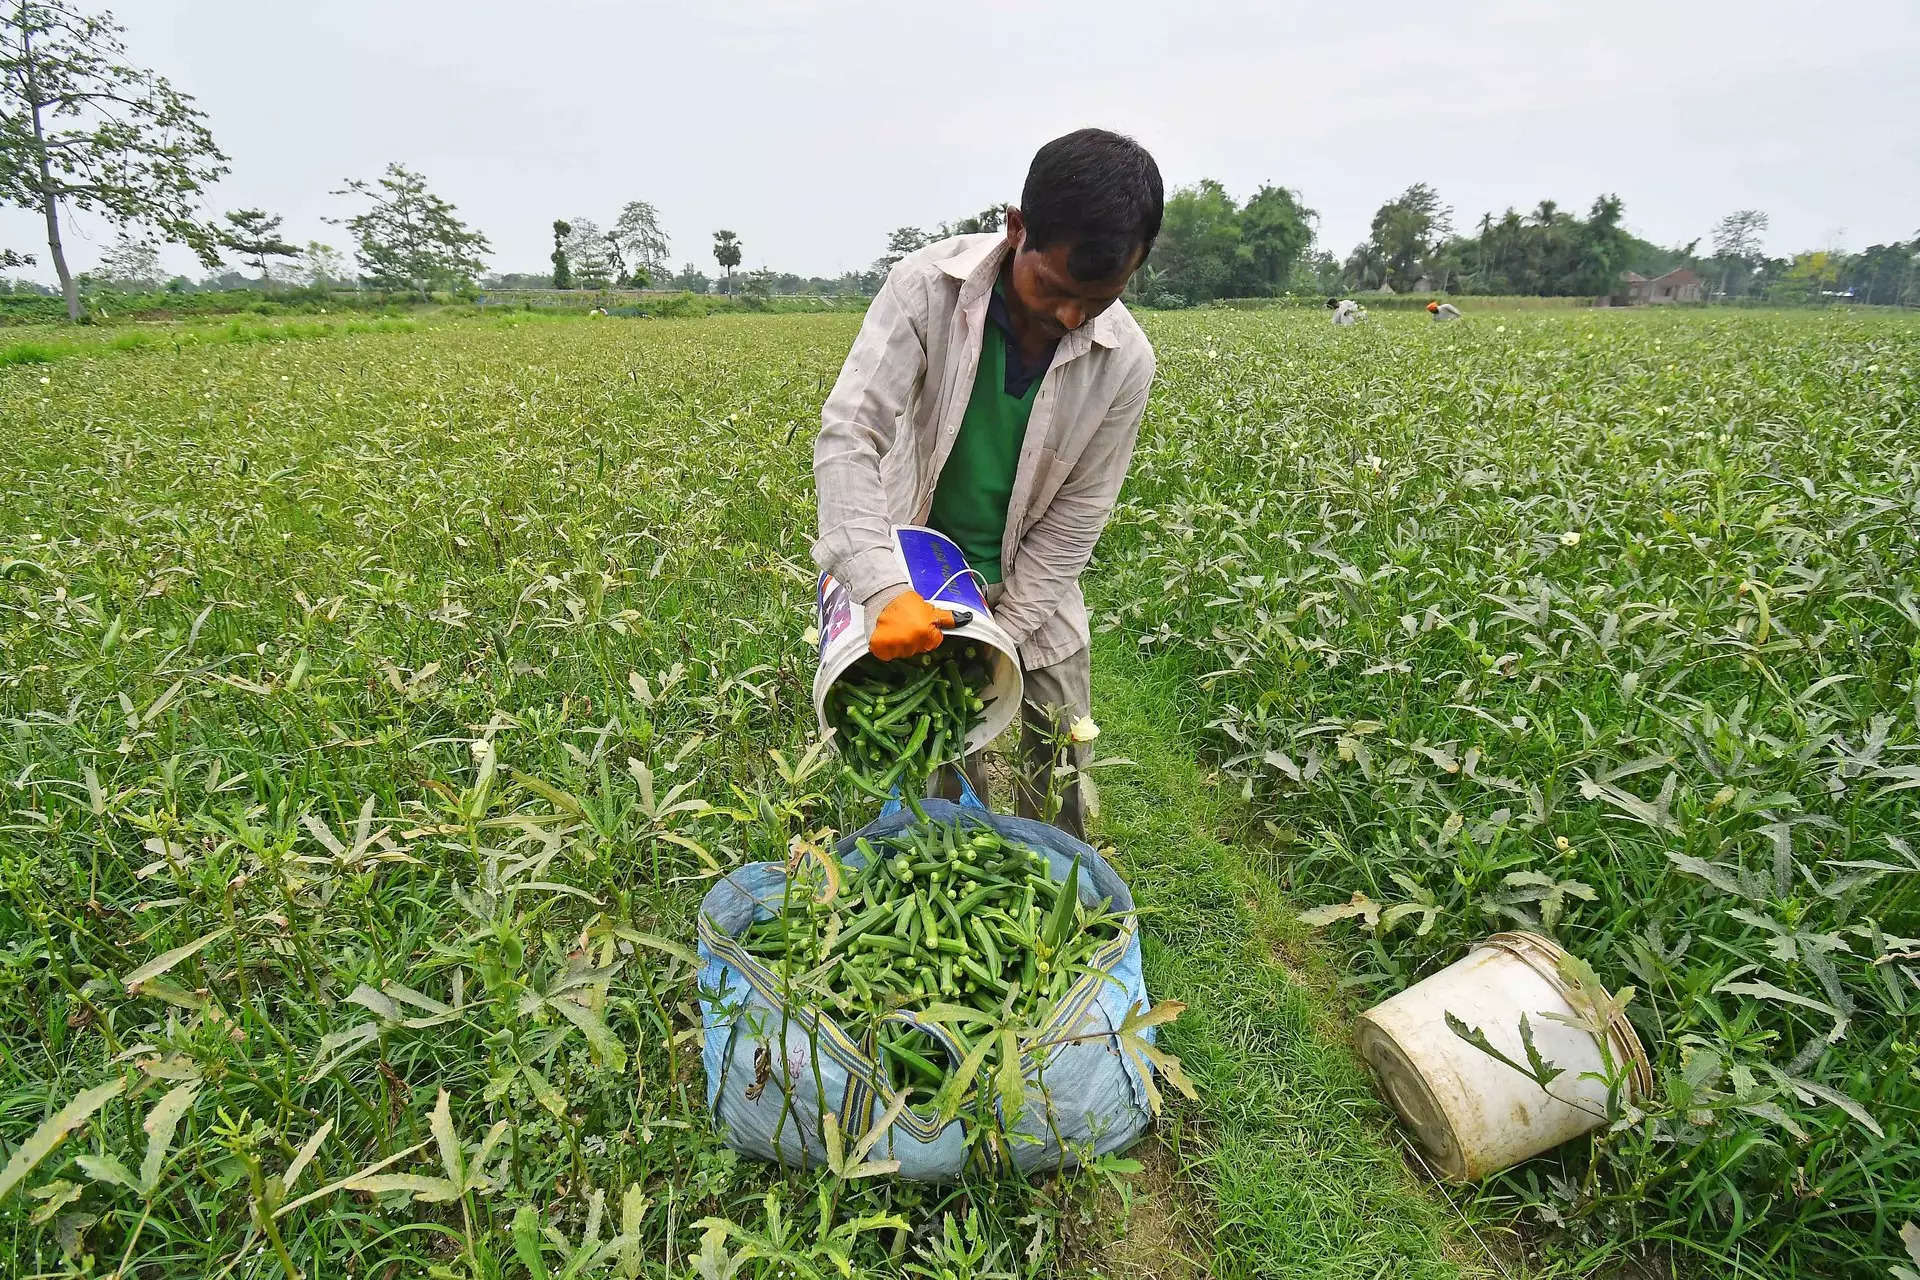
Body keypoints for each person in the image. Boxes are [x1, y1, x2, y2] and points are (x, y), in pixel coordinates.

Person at [813, 128, 1162, 840]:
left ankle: (1055, 886)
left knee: (1063, 757)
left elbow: (1075, 519)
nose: (1070, 318)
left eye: (1096, 300)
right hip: (916, 569)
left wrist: (998, 636)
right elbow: (850, 438)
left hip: (1032, 581)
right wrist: (884, 591)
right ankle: (946, 856)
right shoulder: (926, 289)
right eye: (1056, 289)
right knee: (938, 761)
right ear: (1017, 229)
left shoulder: (1125, 360)